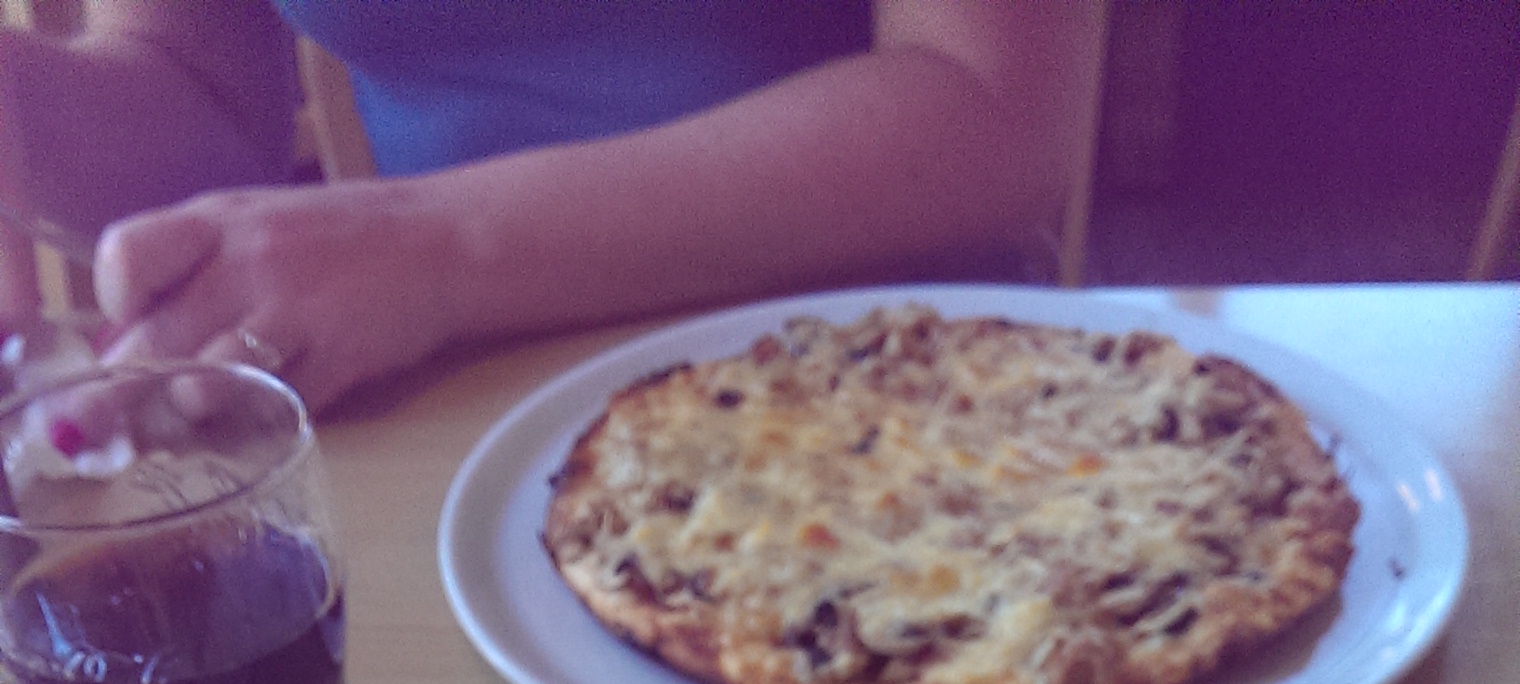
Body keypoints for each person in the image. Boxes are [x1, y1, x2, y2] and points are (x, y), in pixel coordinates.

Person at [0, 1, 1101, 412]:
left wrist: (431, 247)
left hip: (894, 382)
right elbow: (191, 105)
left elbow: (992, 110)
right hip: (439, 407)